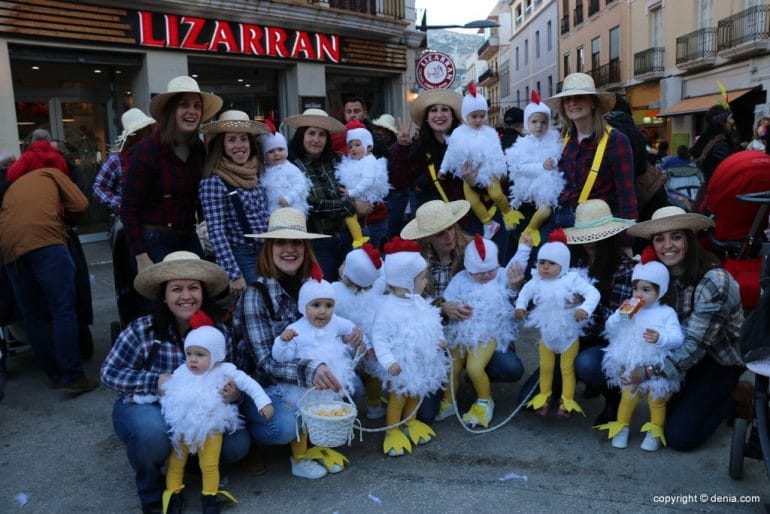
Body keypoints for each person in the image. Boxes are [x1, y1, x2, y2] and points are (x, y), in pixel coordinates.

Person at [100, 251, 253, 513]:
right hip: (148, 406)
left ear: (203, 294)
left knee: (237, 445)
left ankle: (190, 464)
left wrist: (234, 393)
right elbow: (108, 372)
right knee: (152, 433)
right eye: (176, 289)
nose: (186, 296)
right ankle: (154, 494)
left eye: (193, 288)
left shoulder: (217, 332)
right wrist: (154, 381)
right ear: (164, 295)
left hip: (199, 411)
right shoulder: (143, 329)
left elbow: (233, 373)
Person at [235, 207, 362, 479]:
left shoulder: (313, 285)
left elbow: (327, 329)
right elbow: (264, 363)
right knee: (283, 427)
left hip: (303, 376)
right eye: (281, 242)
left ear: (306, 248)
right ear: (269, 248)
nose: (290, 249)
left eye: (297, 242)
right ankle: (253, 439)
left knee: (355, 387)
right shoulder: (255, 295)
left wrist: (348, 337)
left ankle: (313, 441)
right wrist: (311, 370)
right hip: (265, 384)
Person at [625, 206, 747, 451]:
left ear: (689, 240)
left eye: (676, 237)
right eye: (659, 239)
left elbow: (696, 345)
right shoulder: (662, 276)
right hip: (680, 349)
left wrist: (647, 372)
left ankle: (738, 396)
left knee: (679, 437)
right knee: (663, 411)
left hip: (718, 359)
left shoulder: (714, 281)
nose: (667, 245)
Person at [400, 199, 526, 423]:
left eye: (450, 228)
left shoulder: (474, 248)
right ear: (427, 238)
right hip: (436, 338)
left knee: (510, 368)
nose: (449, 236)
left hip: (483, 333)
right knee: (426, 414)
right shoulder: (417, 262)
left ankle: (478, 386)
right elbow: (407, 303)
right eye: (440, 234)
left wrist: (515, 287)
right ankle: (450, 396)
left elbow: (500, 290)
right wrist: (441, 306)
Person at [158, 310, 274, 514]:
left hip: (212, 427)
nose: (192, 360)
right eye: (189, 354)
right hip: (184, 426)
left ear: (216, 357)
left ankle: (209, 497)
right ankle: (173, 494)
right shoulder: (182, 371)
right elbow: (169, 390)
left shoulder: (225, 369)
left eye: (200, 355)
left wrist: (263, 402)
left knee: (209, 465)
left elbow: (248, 383)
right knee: (176, 462)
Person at [0, 168, 97, 394]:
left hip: (10, 250)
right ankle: (73, 377)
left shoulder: (14, 187)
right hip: (45, 242)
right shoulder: (52, 174)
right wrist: (66, 225)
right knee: (63, 309)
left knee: (33, 315)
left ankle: (53, 375)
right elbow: (80, 204)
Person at [121, 75, 223, 273]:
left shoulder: (198, 149)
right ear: (170, 110)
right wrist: (141, 257)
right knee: (167, 292)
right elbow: (128, 210)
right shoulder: (145, 151)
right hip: (153, 239)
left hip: (188, 235)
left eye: (197, 106)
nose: (192, 111)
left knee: (203, 285)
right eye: (184, 105)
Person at [272, 267, 361, 472]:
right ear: (303, 307)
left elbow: (350, 328)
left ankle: (321, 448)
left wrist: (353, 336)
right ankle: (299, 459)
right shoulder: (296, 329)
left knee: (325, 416)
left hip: (328, 382)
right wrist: (282, 342)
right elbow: (280, 358)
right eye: (316, 305)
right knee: (303, 419)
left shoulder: (335, 322)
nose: (323, 311)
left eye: (328, 305)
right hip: (304, 386)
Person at [370, 236, 448, 457]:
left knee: (416, 394)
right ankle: (393, 430)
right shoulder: (388, 309)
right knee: (398, 398)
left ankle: (410, 422)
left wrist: (439, 338)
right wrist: (388, 361)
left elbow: (432, 321)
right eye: (422, 278)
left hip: (421, 362)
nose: (426, 281)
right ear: (405, 281)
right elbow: (379, 339)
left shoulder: (419, 301)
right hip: (402, 365)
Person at [596, 261, 684, 452]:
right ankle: (621, 427)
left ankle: (654, 431)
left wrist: (661, 338)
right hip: (632, 363)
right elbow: (610, 330)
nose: (638, 294)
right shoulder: (629, 309)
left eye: (646, 290)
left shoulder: (666, 312)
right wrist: (619, 316)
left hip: (656, 365)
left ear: (661, 291)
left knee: (656, 400)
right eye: (635, 288)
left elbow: (678, 338)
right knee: (628, 398)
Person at [564, 200, 636, 425]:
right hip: (573, 336)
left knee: (586, 364)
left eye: (596, 235)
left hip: (608, 340)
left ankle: (612, 398)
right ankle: (579, 384)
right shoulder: (571, 261)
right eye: (585, 235)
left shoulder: (624, 268)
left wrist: (587, 304)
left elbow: (619, 320)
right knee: (534, 393)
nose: (590, 241)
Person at [439, 234, 519, 428]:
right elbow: (448, 298)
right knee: (451, 367)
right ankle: (449, 400)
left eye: (490, 270)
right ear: (468, 269)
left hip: (487, 333)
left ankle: (484, 401)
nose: (485, 276)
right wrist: (456, 307)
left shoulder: (501, 275)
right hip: (460, 332)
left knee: (474, 368)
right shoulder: (460, 279)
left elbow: (515, 275)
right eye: (479, 272)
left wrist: (523, 250)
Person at [515, 241, 600, 417]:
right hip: (547, 336)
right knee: (546, 367)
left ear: (564, 265)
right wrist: (520, 306)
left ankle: (566, 401)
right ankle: (544, 398)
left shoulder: (572, 279)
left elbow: (593, 293)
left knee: (566, 369)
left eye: (552, 263)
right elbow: (524, 292)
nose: (545, 267)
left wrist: (585, 308)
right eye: (542, 262)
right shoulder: (536, 280)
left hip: (568, 337)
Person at [544, 73, 637, 235]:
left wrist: (626, 239)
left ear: (593, 102)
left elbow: (626, 196)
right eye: (567, 99)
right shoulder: (563, 140)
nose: (572, 103)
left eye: (579, 97)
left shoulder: (616, 141)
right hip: (562, 222)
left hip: (599, 226)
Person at [285, 108, 369, 281]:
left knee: (354, 287)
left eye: (322, 134)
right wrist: (352, 206)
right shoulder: (291, 166)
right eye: (311, 133)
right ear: (301, 135)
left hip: (348, 237)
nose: (316, 139)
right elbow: (312, 206)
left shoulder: (337, 159)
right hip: (318, 242)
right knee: (325, 290)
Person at [199, 110, 270, 298]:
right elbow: (216, 231)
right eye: (231, 140)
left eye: (243, 139)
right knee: (258, 300)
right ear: (221, 145)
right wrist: (233, 274)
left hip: (266, 252)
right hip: (242, 255)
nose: (239, 145)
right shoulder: (214, 181)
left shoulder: (254, 173)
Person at [439, 83, 521, 239]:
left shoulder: (490, 132)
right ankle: (488, 223)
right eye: (474, 116)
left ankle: (507, 213)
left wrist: (503, 170)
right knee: (472, 201)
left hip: (489, 171)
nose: (478, 120)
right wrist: (443, 169)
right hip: (467, 172)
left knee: (497, 195)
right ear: (465, 116)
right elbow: (450, 153)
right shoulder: (458, 133)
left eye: (482, 116)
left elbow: (498, 152)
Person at [331, 244, 387, 419]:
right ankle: (374, 406)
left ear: (346, 272)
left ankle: (345, 409)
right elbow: (383, 274)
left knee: (349, 373)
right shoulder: (374, 289)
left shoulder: (334, 290)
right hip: (370, 344)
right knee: (372, 375)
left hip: (343, 344)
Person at [505, 90, 565, 247]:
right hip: (529, 188)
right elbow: (520, 168)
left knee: (545, 211)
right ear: (527, 123)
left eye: (543, 122)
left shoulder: (554, 140)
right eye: (534, 122)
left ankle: (530, 229)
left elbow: (557, 156)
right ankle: (528, 232)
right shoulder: (522, 144)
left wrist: (554, 161)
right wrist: (541, 167)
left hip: (548, 187)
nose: (539, 126)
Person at [335, 120, 390, 248]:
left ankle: (359, 239)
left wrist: (351, 192)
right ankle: (359, 238)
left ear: (369, 147)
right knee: (350, 218)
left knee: (350, 217)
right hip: (358, 202)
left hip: (365, 199)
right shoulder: (358, 161)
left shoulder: (369, 162)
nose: (353, 149)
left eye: (357, 145)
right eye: (350, 146)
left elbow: (368, 181)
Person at [93, 108, 157, 212]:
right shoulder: (117, 160)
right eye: (144, 131)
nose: (149, 135)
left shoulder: (156, 155)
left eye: (149, 130)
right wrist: (121, 203)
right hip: (129, 216)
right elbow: (98, 188)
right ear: (134, 136)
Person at [259, 120, 311, 215]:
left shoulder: (290, 168)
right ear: (264, 156)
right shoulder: (264, 170)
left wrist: (289, 197)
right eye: (270, 151)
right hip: (272, 212)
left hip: (291, 209)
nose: (276, 154)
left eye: (280, 149)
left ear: (286, 151)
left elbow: (300, 184)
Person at [690, 103, 742, 188]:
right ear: (722, 122)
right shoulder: (721, 142)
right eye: (730, 118)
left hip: (708, 186)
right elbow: (725, 169)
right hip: (718, 186)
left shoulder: (706, 137)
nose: (733, 122)